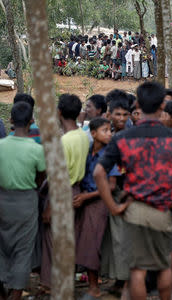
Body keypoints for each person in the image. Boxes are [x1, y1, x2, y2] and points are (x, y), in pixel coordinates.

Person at [94, 82, 172, 300]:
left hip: (134, 210)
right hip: (164, 210)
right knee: (164, 267)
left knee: (137, 270)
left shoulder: (123, 138)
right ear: (162, 105)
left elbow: (99, 172)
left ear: (137, 103)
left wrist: (114, 207)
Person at [41, 94, 90, 288]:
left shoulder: (63, 142)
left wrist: (49, 208)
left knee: (54, 241)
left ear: (59, 112)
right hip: (76, 190)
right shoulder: (82, 136)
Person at [0, 102, 46, 300]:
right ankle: (16, 294)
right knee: (23, 249)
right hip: (27, 200)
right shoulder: (36, 149)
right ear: (32, 121)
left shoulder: (1, 146)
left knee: (1, 247)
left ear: (10, 121)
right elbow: (42, 177)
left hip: (2, 199)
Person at [76, 118, 121, 299]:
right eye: (105, 130)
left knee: (91, 243)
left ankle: (94, 287)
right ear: (93, 134)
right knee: (87, 242)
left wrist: (87, 196)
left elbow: (110, 186)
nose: (109, 134)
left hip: (99, 201)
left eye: (110, 130)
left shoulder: (108, 155)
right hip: (86, 200)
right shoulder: (87, 152)